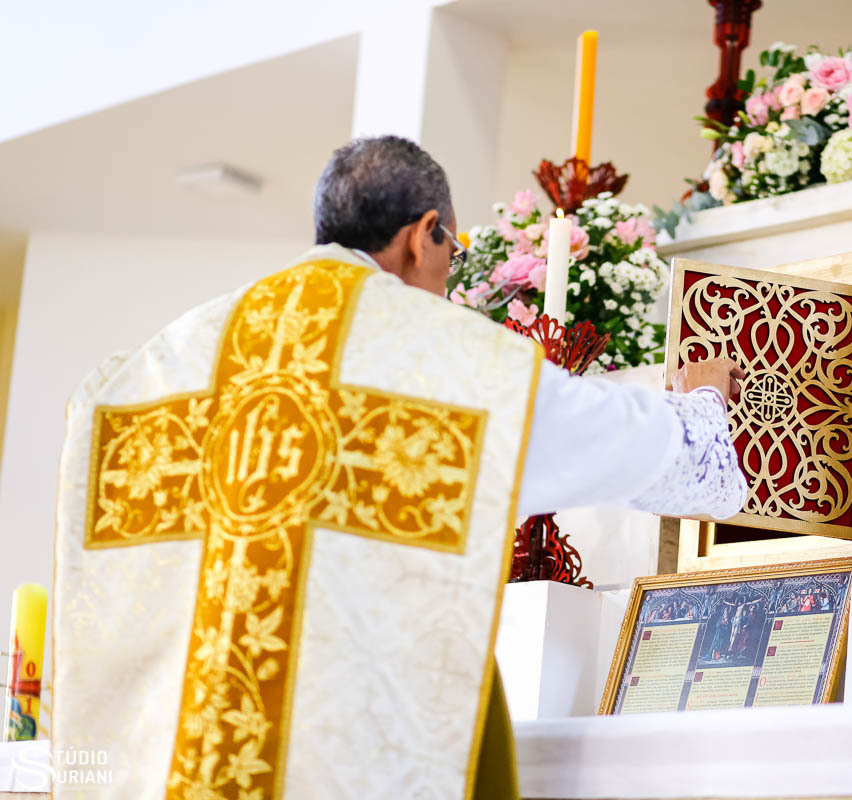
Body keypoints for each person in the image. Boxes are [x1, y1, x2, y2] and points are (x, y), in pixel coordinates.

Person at [53, 136, 747, 800]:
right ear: (423, 235)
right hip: (341, 753)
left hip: (189, 753)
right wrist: (704, 402)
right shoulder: (434, 357)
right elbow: (623, 444)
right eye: (452, 251)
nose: (446, 277)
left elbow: (93, 413)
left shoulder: (183, 352)